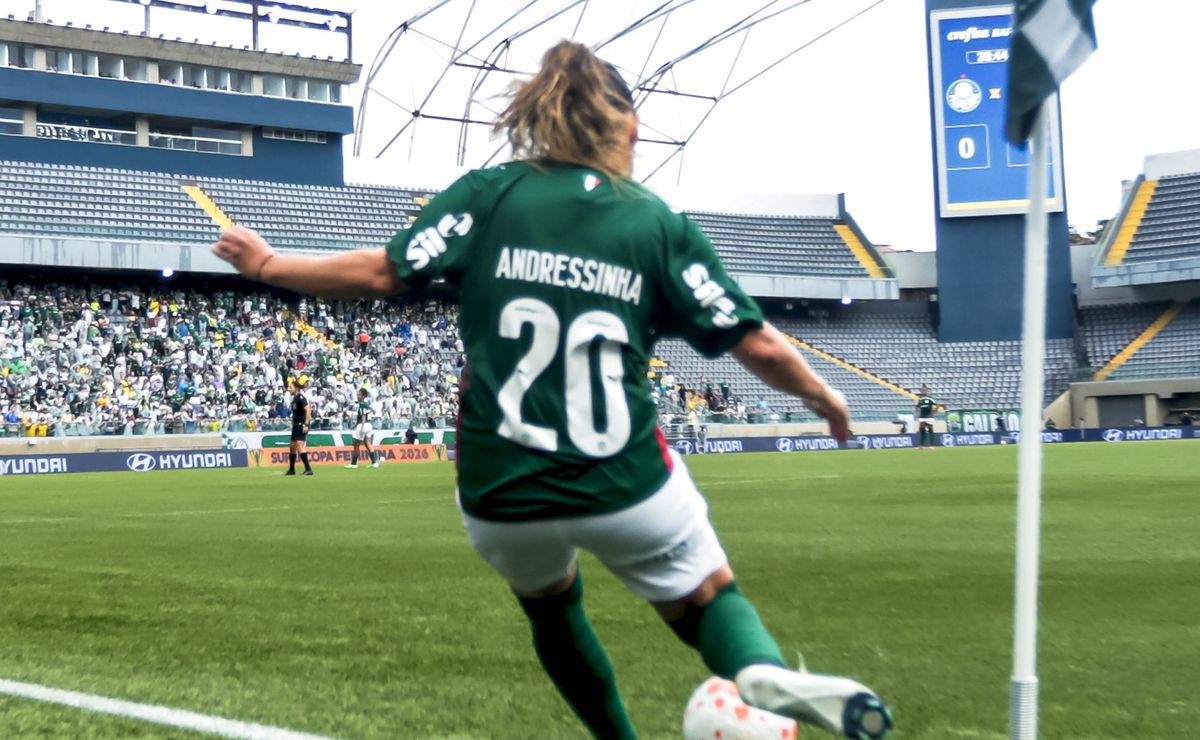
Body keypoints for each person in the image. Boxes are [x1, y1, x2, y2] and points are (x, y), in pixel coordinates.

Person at [211, 40, 891, 740]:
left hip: (501, 492)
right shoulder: (655, 222)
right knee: (709, 597)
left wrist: (267, 264)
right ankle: (752, 668)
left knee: (551, 606)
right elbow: (757, 342)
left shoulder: (488, 193)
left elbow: (383, 272)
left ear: (540, 118)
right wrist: (821, 396)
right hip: (624, 483)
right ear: (628, 127)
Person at [345, 387, 380, 469]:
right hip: (369, 425)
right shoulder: (366, 404)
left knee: (356, 444)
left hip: (363, 425)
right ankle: (374, 463)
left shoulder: (362, 405)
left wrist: (361, 428)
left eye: (359, 395)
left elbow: (363, 416)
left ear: (363, 396)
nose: (357, 396)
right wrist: (354, 426)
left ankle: (354, 463)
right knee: (368, 443)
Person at [287, 378, 313, 476]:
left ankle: (308, 469)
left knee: (299, 445)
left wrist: (306, 424)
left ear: (296, 388)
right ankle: (291, 469)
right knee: (292, 447)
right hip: (295, 425)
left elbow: (308, 410)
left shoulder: (301, 398)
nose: (289, 389)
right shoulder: (295, 398)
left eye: (290, 387)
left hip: (301, 425)